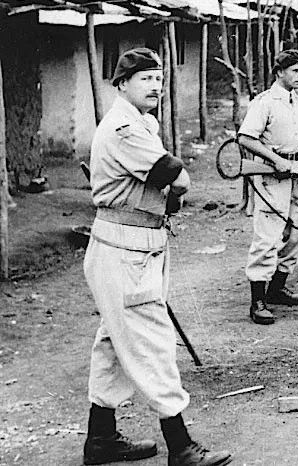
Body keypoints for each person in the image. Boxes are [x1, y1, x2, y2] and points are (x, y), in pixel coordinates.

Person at [83, 48, 231, 466]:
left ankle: (100, 440)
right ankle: (180, 446)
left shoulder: (143, 121)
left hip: (137, 244)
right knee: (154, 343)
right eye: (144, 78)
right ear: (122, 84)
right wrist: (176, 187)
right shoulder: (124, 125)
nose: (155, 85)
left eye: (158, 78)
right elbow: (176, 174)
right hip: (124, 248)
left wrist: (169, 193)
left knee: (115, 342)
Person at [237, 49, 298, 325]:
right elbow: (246, 138)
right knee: (268, 236)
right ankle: (257, 301)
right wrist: (275, 160)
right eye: (295, 71)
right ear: (280, 72)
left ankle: (277, 287)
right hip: (273, 176)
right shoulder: (265, 102)